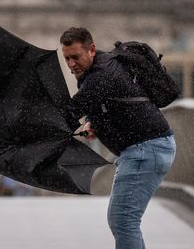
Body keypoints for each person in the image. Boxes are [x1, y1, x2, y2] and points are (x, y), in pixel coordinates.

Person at [60, 27, 176, 249]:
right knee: (124, 220)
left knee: (123, 221)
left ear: (91, 50)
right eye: (67, 58)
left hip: (146, 150)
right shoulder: (103, 68)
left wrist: (23, 124)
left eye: (76, 57)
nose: (71, 64)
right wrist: (95, 123)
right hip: (147, 148)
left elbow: (67, 114)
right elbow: (116, 102)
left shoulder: (100, 76)